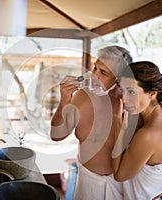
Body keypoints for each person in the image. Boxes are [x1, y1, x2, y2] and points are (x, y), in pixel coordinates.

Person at [50, 45, 133, 199]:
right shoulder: (82, 96)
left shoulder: (131, 104)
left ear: (119, 78)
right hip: (86, 183)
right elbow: (56, 135)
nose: (94, 75)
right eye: (95, 68)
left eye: (103, 73)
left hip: (120, 187)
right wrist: (64, 100)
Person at [112, 61, 162, 199]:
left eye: (131, 92)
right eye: (123, 90)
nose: (124, 98)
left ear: (152, 93)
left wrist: (118, 128)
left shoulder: (147, 135)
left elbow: (119, 175)